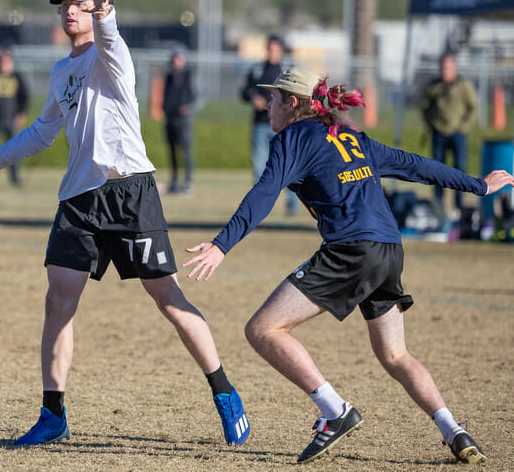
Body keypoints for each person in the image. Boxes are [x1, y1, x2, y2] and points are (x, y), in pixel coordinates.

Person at [0, 0, 250, 448]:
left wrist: (107, 14)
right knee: (58, 301)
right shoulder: (58, 71)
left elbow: (110, 38)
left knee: (169, 300)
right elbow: (41, 133)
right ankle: (53, 415)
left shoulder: (112, 55)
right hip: (79, 200)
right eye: (64, 5)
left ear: (94, 10)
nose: (69, 11)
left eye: (78, 4)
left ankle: (224, 392)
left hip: (130, 192)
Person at [184, 66, 512, 464]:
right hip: (389, 249)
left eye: (274, 98)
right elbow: (414, 165)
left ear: (293, 103)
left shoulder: (292, 138)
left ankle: (335, 411)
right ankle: (454, 430)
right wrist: (478, 185)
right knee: (395, 355)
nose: (267, 105)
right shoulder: (352, 137)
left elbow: (263, 194)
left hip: (352, 249)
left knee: (263, 329)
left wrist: (222, 245)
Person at [241, 35, 297, 215]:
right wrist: (253, 98)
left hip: (282, 126)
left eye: (275, 49)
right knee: (259, 167)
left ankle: (292, 205)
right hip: (260, 124)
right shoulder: (257, 69)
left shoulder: (287, 70)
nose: (272, 52)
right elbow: (244, 91)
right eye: (270, 49)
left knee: (287, 165)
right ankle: (259, 206)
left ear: (280, 50)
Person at [420, 52, 478, 212]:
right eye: (442, 67)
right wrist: (432, 123)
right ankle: (438, 206)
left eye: (448, 67)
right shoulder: (434, 86)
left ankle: (459, 206)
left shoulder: (463, 85)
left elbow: (472, 108)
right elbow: (425, 107)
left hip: (458, 133)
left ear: (454, 68)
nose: (444, 70)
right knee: (436, 170)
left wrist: (463, 126)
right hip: (438, 133)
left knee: (459, 169)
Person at [0, 47, 29, 187]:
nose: (3, 63)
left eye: (6, 60)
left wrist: (21, 112)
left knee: (14, 150)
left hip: (12, 118)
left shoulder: (17, 77)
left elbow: (24, 97)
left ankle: (14, 177)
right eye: (1, 61)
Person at [161, 49, 195, 194]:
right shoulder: (169, 76)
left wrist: (188, 107)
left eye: (179, 59)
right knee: (172, 151)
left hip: (184, 120)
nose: (176, 62)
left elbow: (195, 96)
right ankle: (174, 180)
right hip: (170, 119)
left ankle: (187, 182)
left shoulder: (188, 76)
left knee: (186, 151)